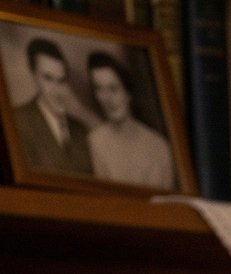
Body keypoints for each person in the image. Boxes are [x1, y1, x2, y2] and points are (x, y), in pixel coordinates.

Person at [84, 51, 175, 190]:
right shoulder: (94, 142)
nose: (107, 99)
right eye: (99, 89)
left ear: (128, 92)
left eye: (113, 89)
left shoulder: (159, 147)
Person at [10, 35, 94, 177]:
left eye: (61, 80)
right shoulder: (17, 120)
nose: (57, 90)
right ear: (34, 76)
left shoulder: (81, 131)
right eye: (48, 78)